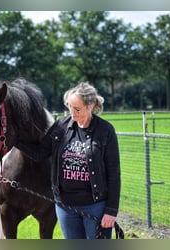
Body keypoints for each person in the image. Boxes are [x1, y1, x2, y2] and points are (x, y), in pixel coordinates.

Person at [16, 82, 121, 239]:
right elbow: (39, 153)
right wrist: (14, 140)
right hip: (65, 207)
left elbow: (114, 174)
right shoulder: (61, 126)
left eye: (77, 108)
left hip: (95, 206)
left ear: (91, 106)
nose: (72, 112)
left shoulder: (105, 131)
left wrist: (111, 211)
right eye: (69, 107)